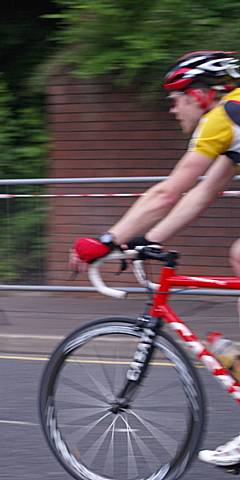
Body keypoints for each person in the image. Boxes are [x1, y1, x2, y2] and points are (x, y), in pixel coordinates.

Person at [71, 50, 240, 467]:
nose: (172, 106)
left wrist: (107, 240)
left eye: (177, 96)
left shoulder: (223, 116)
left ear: (201, 95)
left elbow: (168, 191)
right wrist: (146, 240)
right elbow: (204, 192)